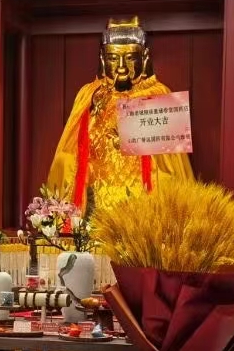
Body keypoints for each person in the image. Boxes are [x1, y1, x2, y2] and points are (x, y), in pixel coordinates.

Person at [46, 16, 193, 211]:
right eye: (113, 59)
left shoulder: (158, 94)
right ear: (102, 58)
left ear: (144, 57)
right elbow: (71, 151)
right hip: (96, 204)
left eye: (130, 58)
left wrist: (128, 137)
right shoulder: (89, 94)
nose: (122, 68)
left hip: (140, 208)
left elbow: (169, 168)